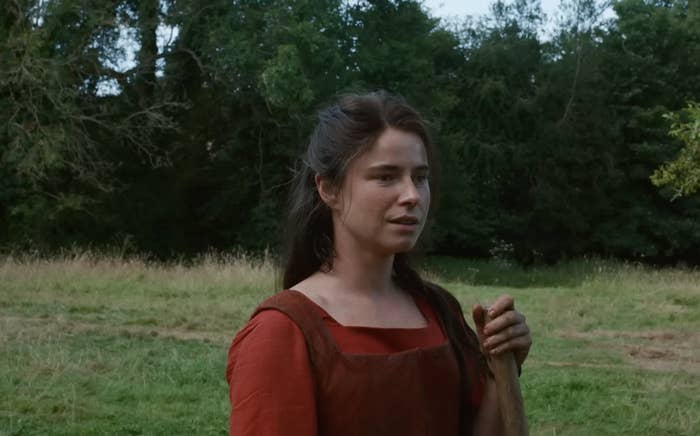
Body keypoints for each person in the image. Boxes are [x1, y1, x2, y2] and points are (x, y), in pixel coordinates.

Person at [226, 91, 532, 436]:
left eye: (420, 177)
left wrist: (498, 370)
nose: (412, 195)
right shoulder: (282, 333)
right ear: (329, 189)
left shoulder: (439, 311)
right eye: (386, 177)